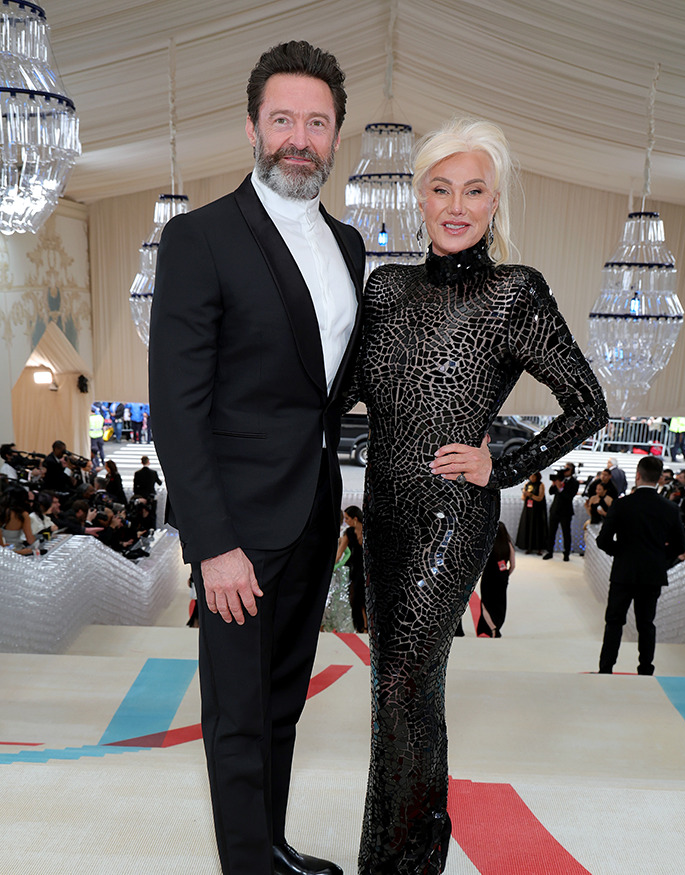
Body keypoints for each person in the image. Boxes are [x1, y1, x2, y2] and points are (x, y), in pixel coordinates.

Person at [355, 117, 607, 873]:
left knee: (400, 677)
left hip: (450, 514)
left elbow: (587, 403)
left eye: (474, 190)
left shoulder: (513, 293)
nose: (456, 205)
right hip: (384, 510)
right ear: (419, 198)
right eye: (440, 189)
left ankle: (392, 863)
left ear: (495, 202)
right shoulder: (385, 287)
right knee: (401, 684)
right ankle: (419, 844)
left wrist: (503, 462)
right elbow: (349, 393)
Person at [149, 41, 363, 875]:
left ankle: (268, 847)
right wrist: (213, 541)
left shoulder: (348, 245)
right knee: (236, 710)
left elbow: (332, 383)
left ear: (336, 135)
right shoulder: (199, 237)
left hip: (311, 510)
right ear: (251, 127)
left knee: (281, 701)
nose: (298, 138)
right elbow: (177, 406)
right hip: (236, 522)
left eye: (316, 122)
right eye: (283, 120)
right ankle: (245, 863)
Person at [597, 455, 685, 675]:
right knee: (646, 623)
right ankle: (646, 669)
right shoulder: (669, 508)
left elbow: (603, 540)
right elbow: (681, 544)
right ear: (659, 480)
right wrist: (660, 559)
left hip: (624, 571)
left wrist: (622, 552)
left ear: (637, 475)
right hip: (652, 572)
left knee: (614, 621)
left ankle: (606, 668)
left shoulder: (622, 504)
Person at [476, 521, 515, 637]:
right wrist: (506, 575)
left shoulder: (488, 545)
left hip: (489, 576)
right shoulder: (508, 545)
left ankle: (492, 628)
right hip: (502, 576)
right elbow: (513, 565)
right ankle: (497, 626)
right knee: (500, 602)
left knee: (486, 603)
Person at [335, 505, 366, 632]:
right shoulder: (348, 533)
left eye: (347, 519)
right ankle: (360, 626)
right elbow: (340, 552)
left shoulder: (368, 530)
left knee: (364, 597)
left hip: (367, 570)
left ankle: (366, 626)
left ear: (355, 518)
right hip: (356, 569)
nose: (345, 521)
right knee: (356, 598)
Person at [542, 461, 579, 561]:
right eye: (565, 468)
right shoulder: (559, 479)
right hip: (555, 510)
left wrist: (560, 488)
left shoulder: (574, 482)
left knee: (566, 533)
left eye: (568, 469)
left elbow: (569, 496)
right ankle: (549, 552)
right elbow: (551, 492)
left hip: (566, 512)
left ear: (572, 471)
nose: (565, 471)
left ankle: (566, 553)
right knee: (551, 533)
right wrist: (554, 485)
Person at [515, 471, 547, 553]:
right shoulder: (527, 484)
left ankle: (539, 548)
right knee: (528, 527)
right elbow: (523, 498)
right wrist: (525, 494)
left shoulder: (541, 485)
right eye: (530, 476)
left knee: (538, 528)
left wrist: (531, 495)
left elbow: (540, 498)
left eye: (533, 477)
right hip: (528, 510)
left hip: (537, 510)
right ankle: (528, 547)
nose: (532, 478)